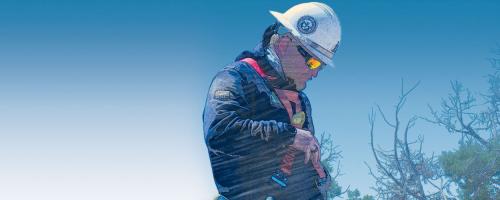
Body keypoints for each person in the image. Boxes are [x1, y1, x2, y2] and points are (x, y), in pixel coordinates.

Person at [202, 2, 341, 199]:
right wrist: (288, 136)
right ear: (285, 45)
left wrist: (318, 180)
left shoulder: (300, 101)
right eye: (313, 62)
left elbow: (299, 169)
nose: (315, 72)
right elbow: (220, 132)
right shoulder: (234, 78)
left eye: (321, 66)